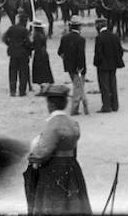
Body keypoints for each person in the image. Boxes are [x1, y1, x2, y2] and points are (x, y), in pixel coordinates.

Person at [25, 85, 92, 215]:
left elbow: (42, 153)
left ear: (50, 105)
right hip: (72, 168)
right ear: (65, 104)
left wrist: (31, 156)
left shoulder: (52, 124)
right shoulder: (73, 123)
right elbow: (74, 150)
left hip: (54, 170)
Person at [57, 18, 89, 116]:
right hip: (78, 68)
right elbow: (81, 55)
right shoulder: (81, 39)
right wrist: (81, 67)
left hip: (69, 67)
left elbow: (60, 52)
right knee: (78, 88)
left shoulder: (64, 38)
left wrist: (66, 60)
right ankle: (74, 109)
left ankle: (79, 105)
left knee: (78, 86)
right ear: (79, 27)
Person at [93, 18, 125, 113]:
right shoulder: (114, 36)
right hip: (113, 65)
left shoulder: (99, 38)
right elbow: (120, 51)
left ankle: (106, 106)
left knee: (104, 86)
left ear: (98, 26)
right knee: (113, 84)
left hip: (103, 66)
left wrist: (97, 63)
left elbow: (98, 53)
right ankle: (115, 105)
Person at [2, 8, 31, 97]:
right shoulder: (24, 30)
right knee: (23, 73)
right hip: (23, 54)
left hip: (13, 53)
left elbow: (4, 38)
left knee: (12, 72)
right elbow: (28, 43)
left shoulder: (12, 28)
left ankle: (13, 91)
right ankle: (22, 91)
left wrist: (10, 45)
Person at [30, 20, 54, 94]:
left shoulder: (36, 35)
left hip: (39, 54)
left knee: (39, 72)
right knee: (45, 70)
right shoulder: (43, 35)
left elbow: (35, 46)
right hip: (44, 53)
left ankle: (43, 89)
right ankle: (46, 87)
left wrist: (30, 45)